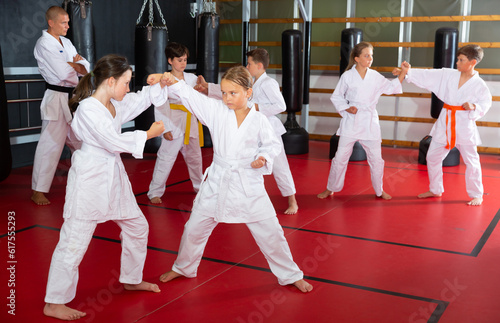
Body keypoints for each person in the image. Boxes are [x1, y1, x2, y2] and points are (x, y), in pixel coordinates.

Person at [150, 66, 312, 293]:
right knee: (194, 228)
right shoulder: (216, 110)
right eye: (224, 92)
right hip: (217, 179)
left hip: (248, 183)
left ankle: (290, 275)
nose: (226, 98)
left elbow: (271, 144)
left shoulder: (259, 119)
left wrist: (262, 157)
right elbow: (191, 96)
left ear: (248, 92)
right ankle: (184, 267)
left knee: (271, 233)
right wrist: (170, 80)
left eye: (233, 93)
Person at [43, 54, 168, 321]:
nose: (128, 88)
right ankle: (54, 302)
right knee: (74, 242)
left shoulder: (113, 103)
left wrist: (161, 81)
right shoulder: (89, 109)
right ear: (111, 81)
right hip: (90, 180)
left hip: (113, 178)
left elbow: (141, 98)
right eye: (125, 82)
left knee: (137, 227)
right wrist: (147, 135)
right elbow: (111, 141)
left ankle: (131, 279)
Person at [196, 48, 299, 214]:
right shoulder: (250, 81)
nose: (247, 66)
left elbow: (281, 106)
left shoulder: (268, 83)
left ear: (259, 65)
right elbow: (233, 90)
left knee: (280, 166)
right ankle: (242, 200)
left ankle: (292, 201)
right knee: (245, 164)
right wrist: (207, 87)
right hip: (250, 128)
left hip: (269, 129)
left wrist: (258, 107)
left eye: (249, 63)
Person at [401, 44, 492, 206]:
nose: (457, 62)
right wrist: (409, 71)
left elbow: (486, 103)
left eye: (461, 60)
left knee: (472, 161)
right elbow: (429, 75)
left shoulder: (479, 85)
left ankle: (477, 194)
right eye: (458, 59)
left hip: (464, 125)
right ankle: (436, 189)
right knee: (433, 157)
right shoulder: (449, 75)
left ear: (472, 62)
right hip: (445, 122)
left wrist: (474, 107)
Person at [317, 41, 408, 200]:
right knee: (340, 157)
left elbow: (391, 88)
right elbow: (336, 97)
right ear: (357, 58)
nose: (370, 59)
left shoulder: (374, 76)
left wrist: (402, 73)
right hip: (352, 120)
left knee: (376, 159)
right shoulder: (347, 76)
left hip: (369, 120)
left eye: (371, 56)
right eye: (366, 56)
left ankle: (379, 190)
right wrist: (347, 107)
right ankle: (331, 188)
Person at [32, 5, 90, 205]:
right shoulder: (44, 44)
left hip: (73, 99)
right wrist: (76, 67)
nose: (67, 26)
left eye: (68, 22)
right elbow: (63, 73)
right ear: (51, 23)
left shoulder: (66, 42)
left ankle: (84, 182)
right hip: (56, 97)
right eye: (64, 22)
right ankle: (38, 190)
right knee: (50, 145)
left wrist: (77, 66)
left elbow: (86, 68)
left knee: (82, 142)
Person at [147, 42, 203, 204]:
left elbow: (199, 99)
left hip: (191, 121)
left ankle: (199, 188)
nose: (183, 63)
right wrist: (165, 128)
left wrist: (201, 87)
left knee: (195, 158)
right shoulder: (164, 79)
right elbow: (160, 104)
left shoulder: (192, 78)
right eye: (179, 60)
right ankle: (155, 191)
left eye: (185, 60)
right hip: (173, 121)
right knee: (166, 157)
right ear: (170, 61)